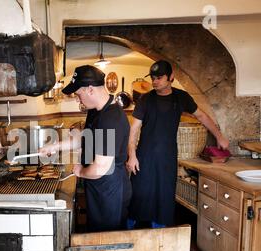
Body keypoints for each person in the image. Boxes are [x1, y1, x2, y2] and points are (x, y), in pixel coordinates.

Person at [126, 60, 229, 228]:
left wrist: (219, 136)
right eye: (153, 77)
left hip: (168, 158)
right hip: (144, 158)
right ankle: (126, 236)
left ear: (171, 77)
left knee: (164, 199)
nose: (155, 81)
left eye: (159, 77)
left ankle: (161, 240)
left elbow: (202, 116)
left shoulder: (182, 97)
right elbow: (134, 130)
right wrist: (132, 156)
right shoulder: (145, 99)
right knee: (138, 197)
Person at [40, 65, 132, 232]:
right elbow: (84, 139)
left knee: (106, 242)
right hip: (98, 187)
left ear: (90, 90)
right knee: (95, 236)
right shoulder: (96, 111)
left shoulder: (111, 118)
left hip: (110, 190)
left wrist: (81, 171)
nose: (77, 99)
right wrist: (56, 146)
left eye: (78, 94)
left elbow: (100, 168)